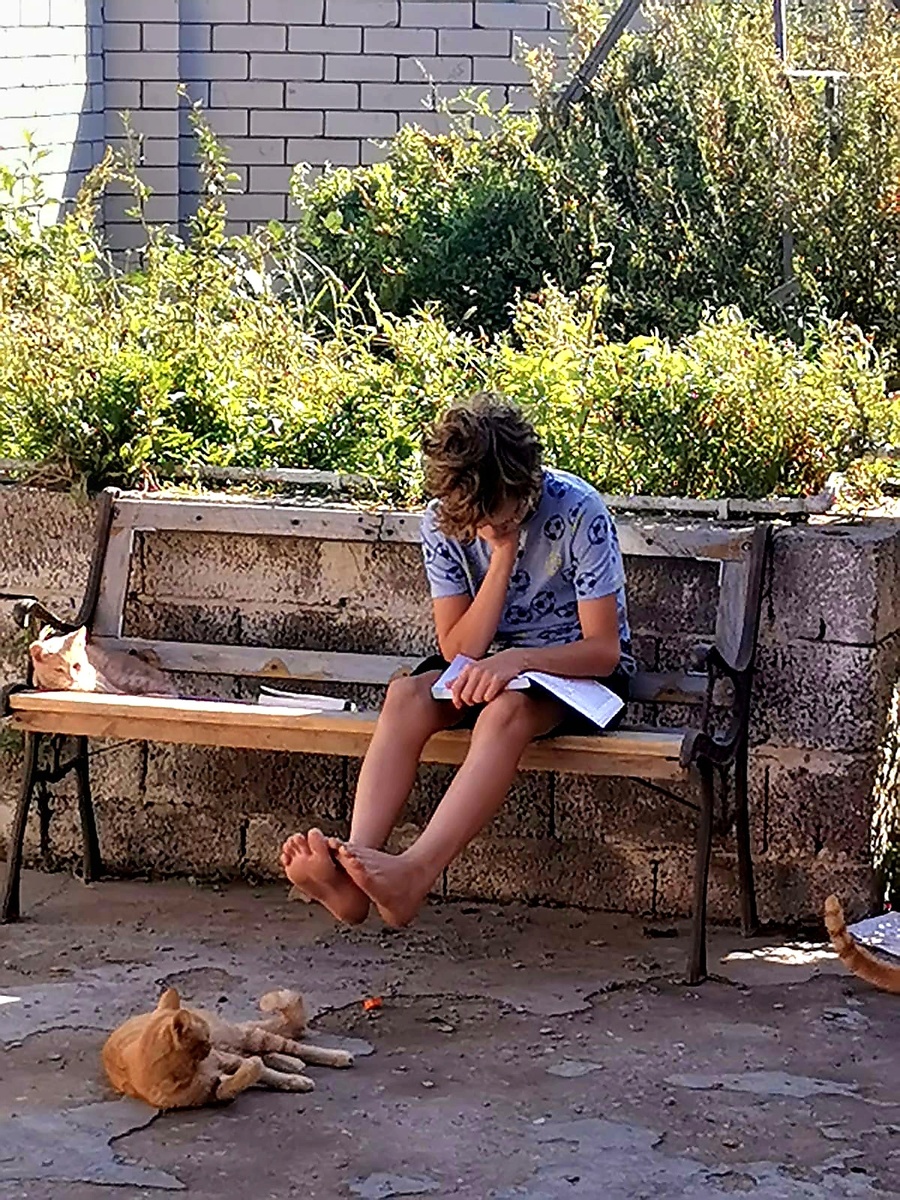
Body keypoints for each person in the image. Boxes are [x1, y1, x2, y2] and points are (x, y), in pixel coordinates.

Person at [281, 393, 634, 927]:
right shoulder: (446, 519)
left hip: (575, 674)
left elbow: (604, 651)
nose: (486, 526)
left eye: (500, 514)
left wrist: (517, 661)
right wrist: (502, 560)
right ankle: (354, 873)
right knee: (406, 695)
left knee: (505, 711)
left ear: (526, 482)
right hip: (484, 665)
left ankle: (414, 874)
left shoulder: (579, 511)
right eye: (475, 520)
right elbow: (456, 650)